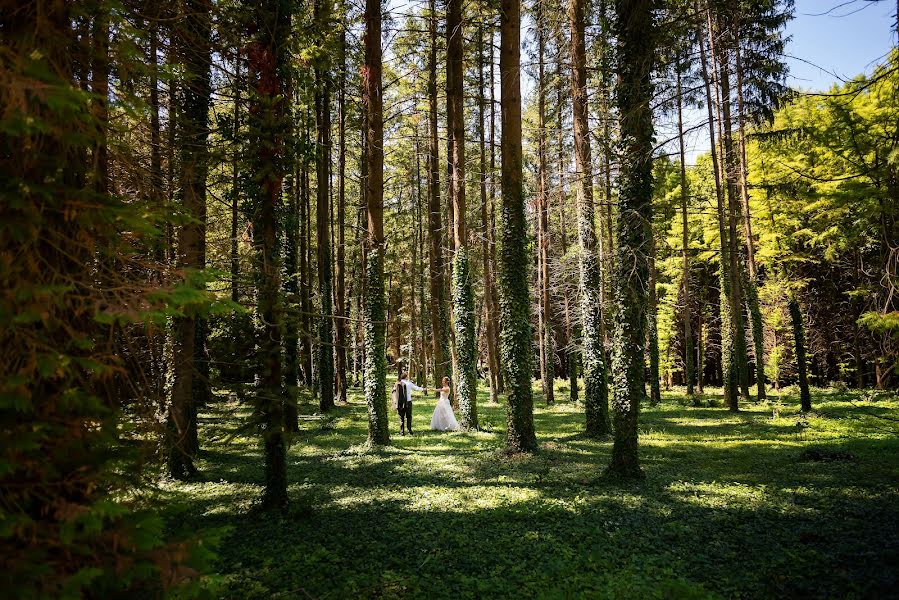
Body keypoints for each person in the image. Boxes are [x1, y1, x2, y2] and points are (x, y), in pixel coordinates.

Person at [392, 371, 426, 436]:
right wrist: (424, 389)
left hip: (400, 402)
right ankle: (409, 430)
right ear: (406, 377)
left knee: (401, 417)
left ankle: (402, 432)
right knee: (409, 416)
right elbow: (417, 388)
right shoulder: (408, 383)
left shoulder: (396, 383)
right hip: (408, 402)